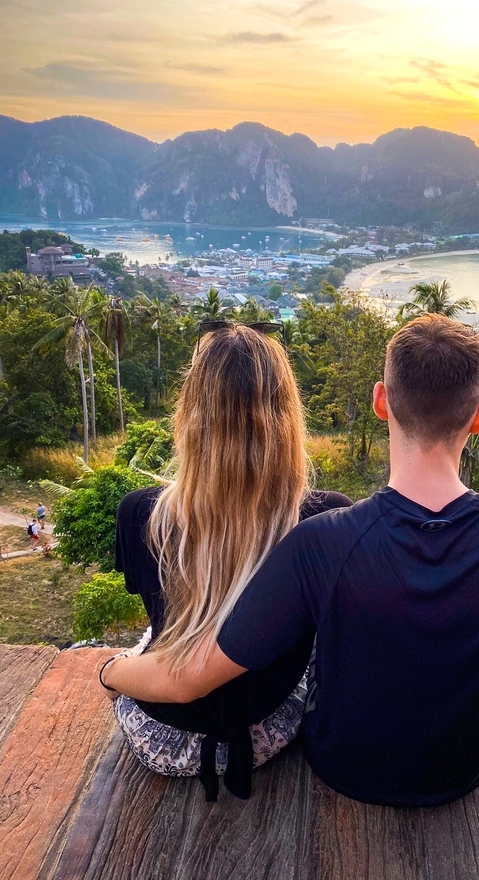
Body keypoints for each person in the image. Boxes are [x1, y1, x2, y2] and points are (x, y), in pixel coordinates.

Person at [103, 315, 479, 853]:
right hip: (464, 777)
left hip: (339, 768)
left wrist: (109, 669)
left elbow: (195, 674)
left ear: (381, 401)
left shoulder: (323, 541)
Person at [108, 322, 351, 800]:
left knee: (142, 643)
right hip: (266, 733)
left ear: (189, 415)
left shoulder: (140, 514)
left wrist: (111, 671)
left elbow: (160, 617)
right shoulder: (326, 519)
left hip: (160, 737)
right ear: (286, 420)